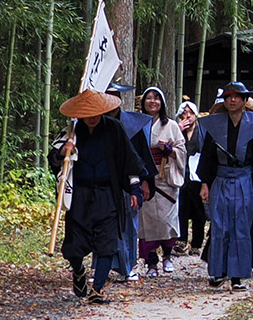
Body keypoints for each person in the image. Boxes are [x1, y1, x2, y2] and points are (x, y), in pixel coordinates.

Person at [49, 89, 149, 302]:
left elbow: (129, 160)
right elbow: (54, 157)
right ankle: (78, 272)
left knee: (107, 242)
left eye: (96, 113)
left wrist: (134, 189)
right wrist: (64, 151)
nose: (92, 118)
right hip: (80, 195)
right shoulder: (72, 130)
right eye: (88, 114)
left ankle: (97, 290)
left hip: (107, 194)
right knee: (74, 245)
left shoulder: (114, 128)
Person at [191, 80, 253, 288]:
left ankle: (238, 275)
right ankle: (218, 272)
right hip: (220, 179)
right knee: (219, 225)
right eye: (229, 96)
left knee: (241, 226)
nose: (232, 100)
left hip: (244, 180)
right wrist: (205, 184)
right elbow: (208, 158)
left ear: (245, 100)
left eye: (237, 96)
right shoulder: (216, 126)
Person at [133, 87, 187, 275]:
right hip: (146, 176)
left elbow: (182, 149)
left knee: (167, 220)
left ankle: (167, 256)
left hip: (166, 176)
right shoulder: (138, 124)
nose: (153, 102)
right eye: (149, 98)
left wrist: (170, 151)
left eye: (157, 98)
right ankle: (151, 262)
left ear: (162, 103)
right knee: (147, 221)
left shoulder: (171, 125)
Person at [109, 83, 147, 280]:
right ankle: (102, 265)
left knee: (129, 224)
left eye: (114, 96)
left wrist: (144, 182)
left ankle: (128, 265)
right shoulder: (94, 122)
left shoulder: (133, 124)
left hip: (128, 182)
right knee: (103, 224)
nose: (111, 99)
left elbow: (141, 157)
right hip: (104, 182)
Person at [175, 100, 208, 255]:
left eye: (190, 113)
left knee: (198, 211)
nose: (187, 116)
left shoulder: (202, 131)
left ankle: (196, 243)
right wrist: (178, 130)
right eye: (184, 113)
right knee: (181, 209)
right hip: (181, 174)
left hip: (197, 175)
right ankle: (181, 240)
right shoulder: (177, 130)